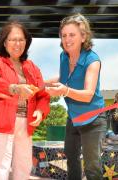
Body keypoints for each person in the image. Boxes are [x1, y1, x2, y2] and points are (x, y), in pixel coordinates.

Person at [0, 21, 50, 180]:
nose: (17, 43)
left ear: (26, 42)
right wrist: (14, 88)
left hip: (25, 124)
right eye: (12, 39)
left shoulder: (31, 66)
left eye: (21, 39)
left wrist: (40, 111)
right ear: (4, 42)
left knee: (24, 167)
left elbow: (42, 94)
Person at [45, 13, 107, 180]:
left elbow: (88, 95)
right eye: (64, 35)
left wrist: (64, 91)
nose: (67, 39)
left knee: (92, 166)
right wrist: (41, 84)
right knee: (71, 158)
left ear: (83, 36)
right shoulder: (63, 56)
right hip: (74, 118)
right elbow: (64, 80)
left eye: (72, 34)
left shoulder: (93, 60)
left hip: (93, 119)